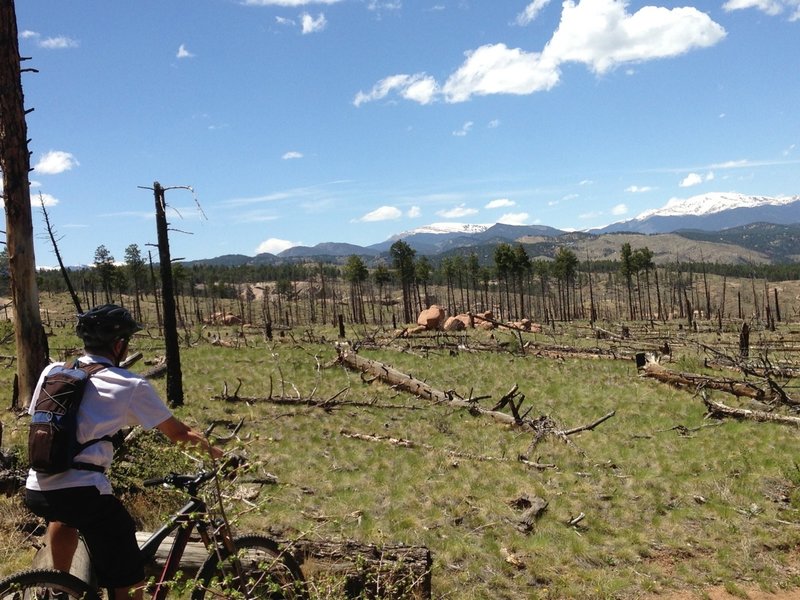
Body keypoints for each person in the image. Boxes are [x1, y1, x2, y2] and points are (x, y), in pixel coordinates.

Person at [24, 304, 224, 600]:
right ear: (119, 345)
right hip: (84, 493)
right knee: (128, 579)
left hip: (37, 487)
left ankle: (60, 589)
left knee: (62, 518)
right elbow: (179, 434)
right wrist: (222, 457)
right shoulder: (129, 384)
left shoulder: (54, 371)